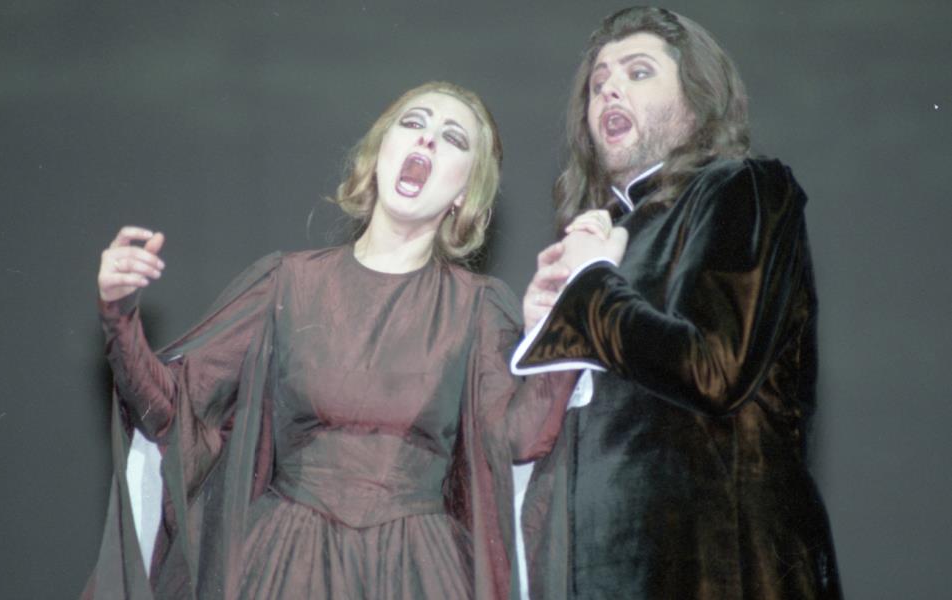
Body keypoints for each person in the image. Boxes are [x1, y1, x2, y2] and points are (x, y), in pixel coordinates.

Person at [83, 81, 574, 599]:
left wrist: (565, 331)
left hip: (417, 574)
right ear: (379, 153)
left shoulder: (477, 308)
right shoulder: (286, 283)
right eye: (413, 123)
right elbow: (174, 410)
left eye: (453, 138)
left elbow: (520, 441)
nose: (427, 139)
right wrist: (119, 317)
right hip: (286, 567)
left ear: (464, 194)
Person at [512, 7, 842, 599]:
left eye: (638, 72)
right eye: (598, 83)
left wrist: (589, 286)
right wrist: (543, 336)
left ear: (697, 98)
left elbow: (715, 370)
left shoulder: (741, 186)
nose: (609, 89)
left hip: (718, 571)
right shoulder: (606, 235)